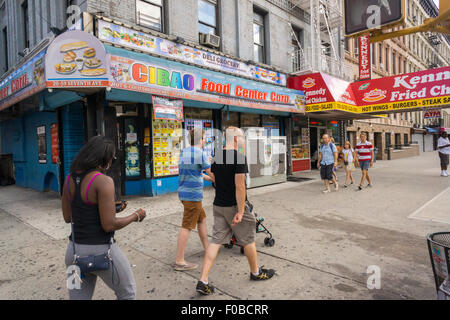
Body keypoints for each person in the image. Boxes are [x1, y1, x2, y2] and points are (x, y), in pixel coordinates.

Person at [62, 136, 146, 300]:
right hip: (102, 251)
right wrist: (136, 216)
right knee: (127, 293)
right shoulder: (104, 181)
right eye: (113, 158)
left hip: (73, 253)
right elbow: (109, 225)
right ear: (105, 158)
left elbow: (67, 217)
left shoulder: (68, 179)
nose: (112, 162)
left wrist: (106, 208)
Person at [196, 127, 275, 295]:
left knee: (216, 241)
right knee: (248, 240)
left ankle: (203, 280)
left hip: (218, 205)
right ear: (235, 139)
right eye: (242, 137)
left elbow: (215, 179)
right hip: (234, 206)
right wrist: (240, 211)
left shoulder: (217, 156)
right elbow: (240, 186)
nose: (243, 140)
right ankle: (255, 272)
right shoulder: (239, 157)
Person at [174, 129, 214, 271]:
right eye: (204, 138)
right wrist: (217, 179)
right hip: (193, 196)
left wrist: (206, 177)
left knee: (201, 219)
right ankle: (179, 261)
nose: (205, 141)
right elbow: (210, 171)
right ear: (200, 140)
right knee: (187, 226)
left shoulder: (185, 152)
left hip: (184, 193)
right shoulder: (200, 154)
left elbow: (192, 171)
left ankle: (208, 248)